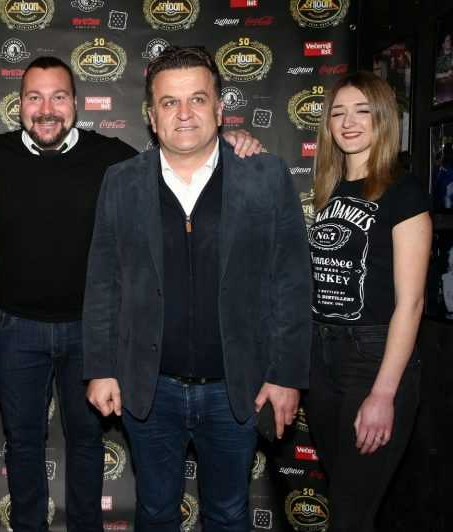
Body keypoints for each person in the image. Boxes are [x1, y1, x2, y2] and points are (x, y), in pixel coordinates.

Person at [0, 56, 261, 532]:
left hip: (91, 333)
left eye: (58, 97)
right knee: (23, 443)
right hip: (16, 331)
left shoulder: (114, 159)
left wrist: (233, 142)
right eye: (34, 97)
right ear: (19, 104)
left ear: (76, 103)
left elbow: (182, 157)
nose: (46, 109)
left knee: (88, 443)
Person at [82, 46, 311, 532]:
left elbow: (291, 282)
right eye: (169, 102)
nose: (183, 113)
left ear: (219, 109)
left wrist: (286, 375)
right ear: (151, 116)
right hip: (150, 389)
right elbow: (104, 282)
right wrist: (100, 368)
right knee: (154, 512)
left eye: (197, 99)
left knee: (228, 514)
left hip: (237, 389)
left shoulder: (265, 176)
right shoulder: (120, 182)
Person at [305, 71, 431, 532]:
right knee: (344, 500)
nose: (349, 122)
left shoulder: (403, 192)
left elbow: (411, 303)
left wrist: (383, 392)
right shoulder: (328, 190)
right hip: (321, 359)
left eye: (362, 111)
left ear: (383, 119)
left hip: (374, 359)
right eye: (338, 113)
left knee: (351, 516)